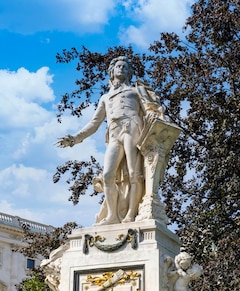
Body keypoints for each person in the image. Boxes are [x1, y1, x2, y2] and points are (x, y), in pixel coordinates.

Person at [57, 56, 164, 225]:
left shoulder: (136, 91)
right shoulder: (105, 98)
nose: (121, 68)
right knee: (107, 175)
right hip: (114, 133)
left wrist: (154, 114)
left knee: (133, 173)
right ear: (112, 71)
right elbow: (94, 123)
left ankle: (130, 214)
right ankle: (112, 215)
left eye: (124, 66)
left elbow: (149, 110)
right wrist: (75, 138)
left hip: (131, 128)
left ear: (129, 72)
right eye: (118, 66)